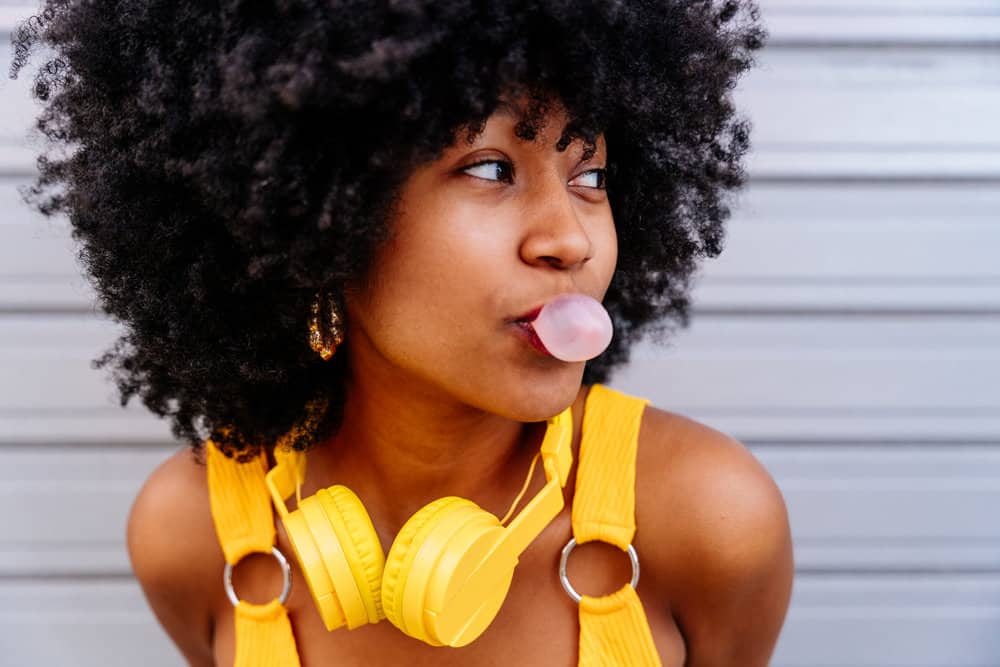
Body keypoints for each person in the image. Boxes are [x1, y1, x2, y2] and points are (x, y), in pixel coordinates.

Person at [11, 1, 792, 664]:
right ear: (315, 215)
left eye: (589, 176)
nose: (571, 239)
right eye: (490, 168)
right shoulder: (193, 536)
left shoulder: (709, 519)